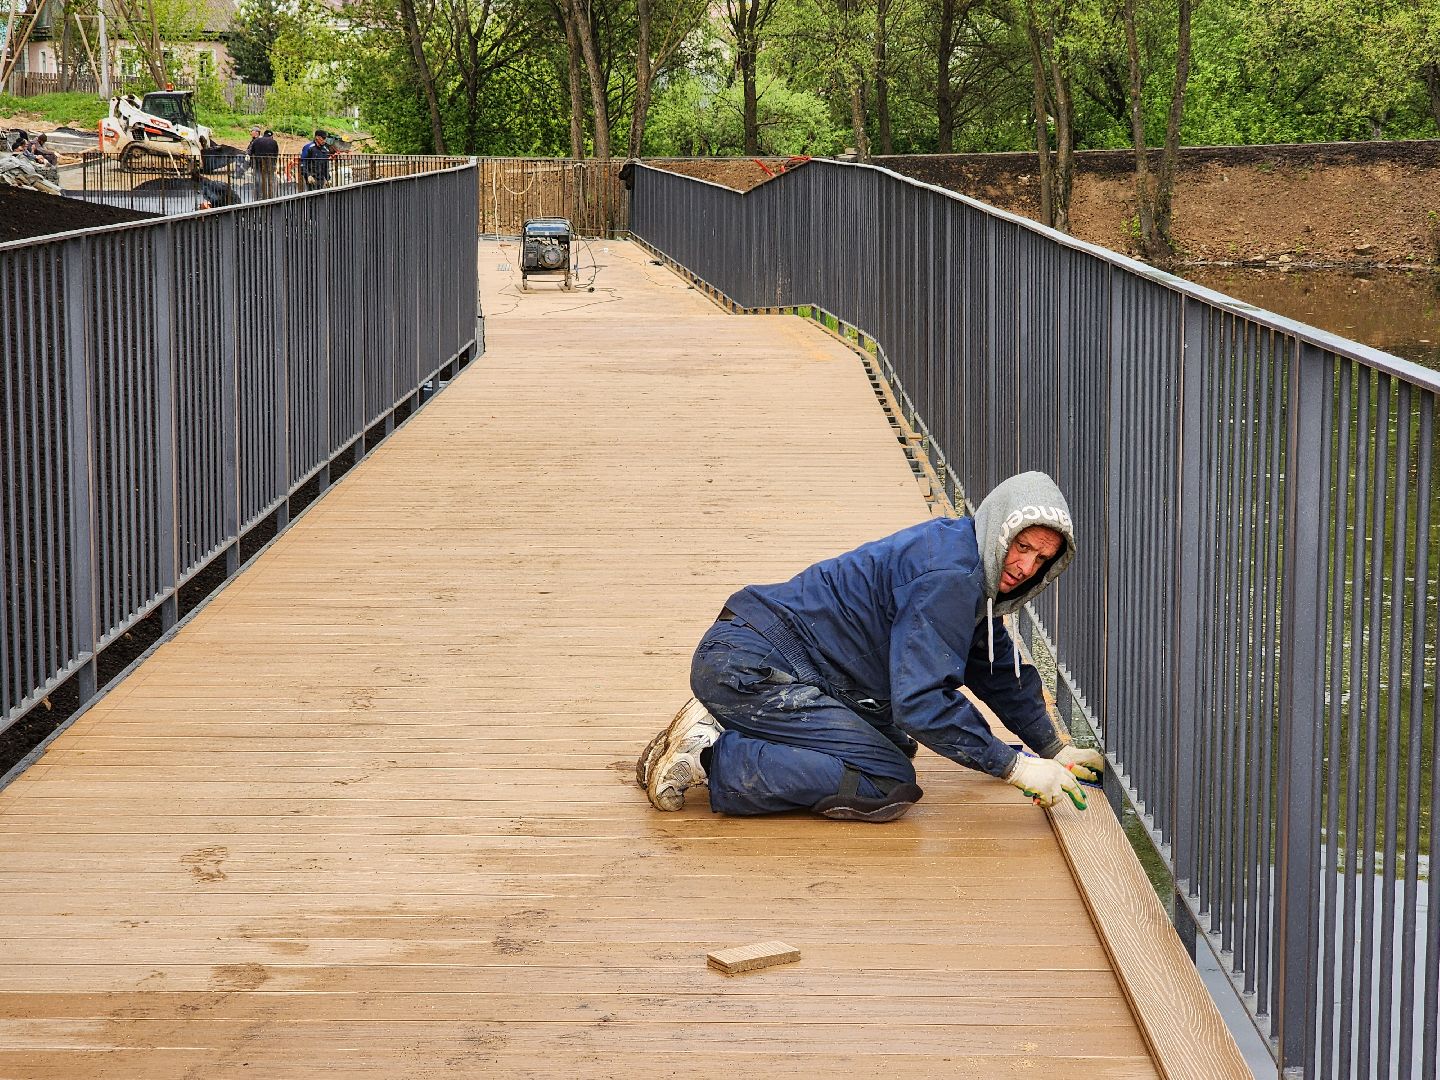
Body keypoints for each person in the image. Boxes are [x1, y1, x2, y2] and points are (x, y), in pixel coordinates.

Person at [636, 471, 1104, 822]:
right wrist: (1014, 768)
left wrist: (1052, 748)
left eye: (1042, 559)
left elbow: (994, 665)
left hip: (768, 656)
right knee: (884, 781)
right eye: (1022, 547)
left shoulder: (967, 562)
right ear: (1001, 528)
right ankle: (707, 757)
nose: (1026, 567)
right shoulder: (950, 579)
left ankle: (724, 721)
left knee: (894, 742)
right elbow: (920, 704)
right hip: (752, 664)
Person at [247, 127, 280, 200]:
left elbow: (251, 152)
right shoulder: (274, 142)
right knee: (269, 180)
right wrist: (274, 164)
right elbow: (276, 154)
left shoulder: (256, 141)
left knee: (258, 181)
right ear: (271, 136)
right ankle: (269, 196)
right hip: (269, 165)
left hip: (258, 164)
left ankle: (258, 197)